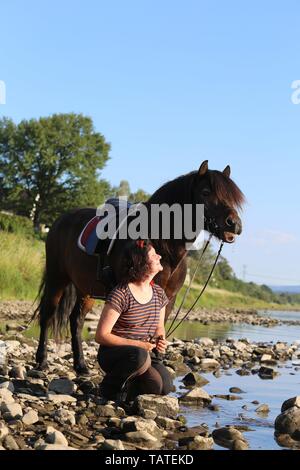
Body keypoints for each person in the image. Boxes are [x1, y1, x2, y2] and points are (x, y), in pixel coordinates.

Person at [95, 239, 173, 402]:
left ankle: (130, 387)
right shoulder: (121, 293)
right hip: (116, 354)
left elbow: (159, 328)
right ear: (142, 263)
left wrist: (161, 340)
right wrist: (139, 345)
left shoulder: (158, 293)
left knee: (164, 386)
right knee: (139, 357)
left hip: (145, 353)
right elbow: (101, 336)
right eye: (153, 255)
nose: (159, 256)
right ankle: (109, 388)